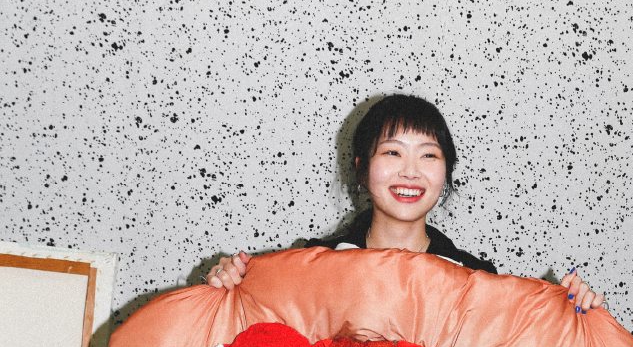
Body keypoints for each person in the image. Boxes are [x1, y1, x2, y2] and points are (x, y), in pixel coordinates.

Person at [205, 94, 603, 310]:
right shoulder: (312, 265)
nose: (410, 172)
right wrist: (231, 287)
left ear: (446, 172)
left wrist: (570, 312)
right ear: (362, 168)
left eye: (428, 155)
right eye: (392, 152)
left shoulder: (477, 278)